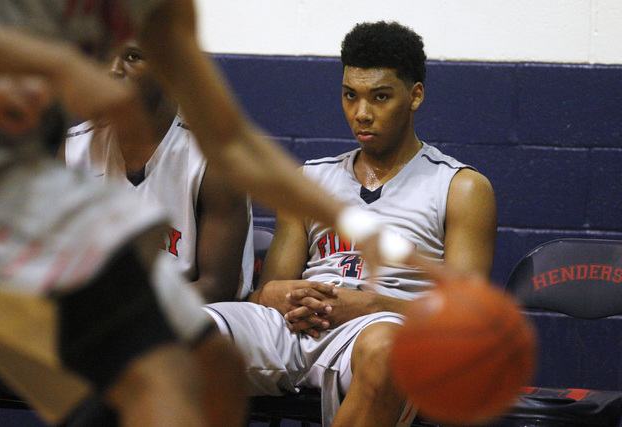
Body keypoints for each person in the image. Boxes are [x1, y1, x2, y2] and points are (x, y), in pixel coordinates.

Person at [0, 2, 410, 426]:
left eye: (132, 57)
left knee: (198, 361)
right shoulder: (67, 138)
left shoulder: (203, 148)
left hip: (184, 304)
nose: (111, 69)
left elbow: (236, 151)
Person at [204, 21, 497, 427]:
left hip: (384, 330)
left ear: (415, 96)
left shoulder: (461, 187)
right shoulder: (312, 178)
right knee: (180, 332)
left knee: (388, 350)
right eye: (350, 96)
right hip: (297, 329)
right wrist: (277, 294)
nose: (361, 113)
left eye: (380, 97)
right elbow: (272, 290)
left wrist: (371, 305)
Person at [63, 40, 254, 302]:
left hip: (199, 312)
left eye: (132, 57)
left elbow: (216, 287)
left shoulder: (213, 159)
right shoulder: (73, 149)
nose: (113, 70)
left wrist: (122, 314)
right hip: (103, 312)